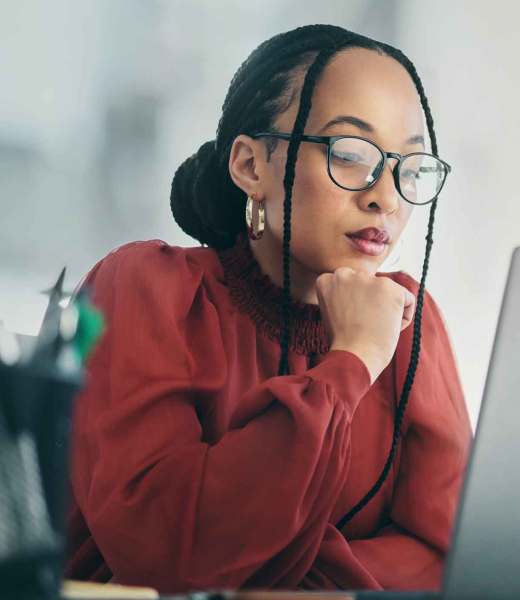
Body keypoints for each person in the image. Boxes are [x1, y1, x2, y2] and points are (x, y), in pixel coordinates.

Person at [64, 24, 472, 594]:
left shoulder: (409, 321)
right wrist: (351, 358)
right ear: (252, 167)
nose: (385, 196)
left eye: (410, 166)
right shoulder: (145, 287)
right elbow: (164, 552)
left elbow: (447, 559)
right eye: (350, 154)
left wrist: (273, 572)